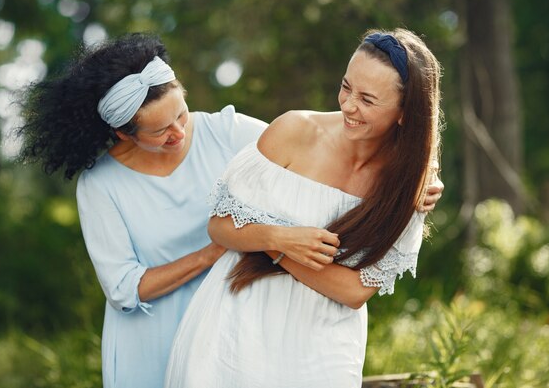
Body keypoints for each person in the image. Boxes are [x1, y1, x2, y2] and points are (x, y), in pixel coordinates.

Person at [17, 33, 443, 388]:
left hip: (253, 311)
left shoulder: (225, 130)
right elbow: (126, 286)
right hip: (152, 327)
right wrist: (261, 244)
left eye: (181, 115)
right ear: (122, 134)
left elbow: (312, 158)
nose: (179, 133)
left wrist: (426, 176)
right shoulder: (101, 184)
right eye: (160, 130)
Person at [164, 28, 443, 388]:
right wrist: (281, 237)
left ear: (406, 113)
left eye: (368, 100)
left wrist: (280, 252)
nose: (348, 105)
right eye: (346, 87)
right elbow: (219, 226)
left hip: (325, 348)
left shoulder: (411, 185)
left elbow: (354, 291)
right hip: (238, 325)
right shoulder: (293, 131)